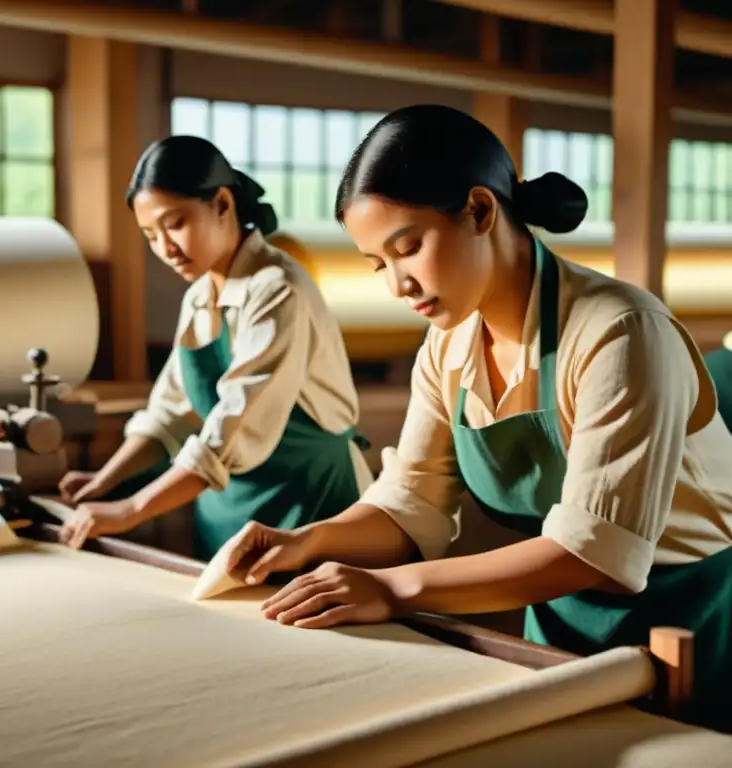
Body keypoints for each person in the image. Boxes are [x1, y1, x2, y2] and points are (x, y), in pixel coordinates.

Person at [217, 104, 732, 733]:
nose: (398, 286)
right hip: (556, 613)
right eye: (379, 265)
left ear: (481, 211)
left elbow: (597, 552)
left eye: (408, 248)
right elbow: (411, 503)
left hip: (693, 618)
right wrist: (309, 541)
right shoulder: (448, 346)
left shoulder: (621, 333)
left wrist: (394, 589)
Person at [57, 135, 373, 561]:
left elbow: (234, 424)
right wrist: (104, 481)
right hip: (228, 509)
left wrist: (131, 509)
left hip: (310, 504)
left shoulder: (278, 288)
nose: (165, 248)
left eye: (175, 224)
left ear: (223, 204)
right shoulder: (200, 295)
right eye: (150, 234)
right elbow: (169, 413)